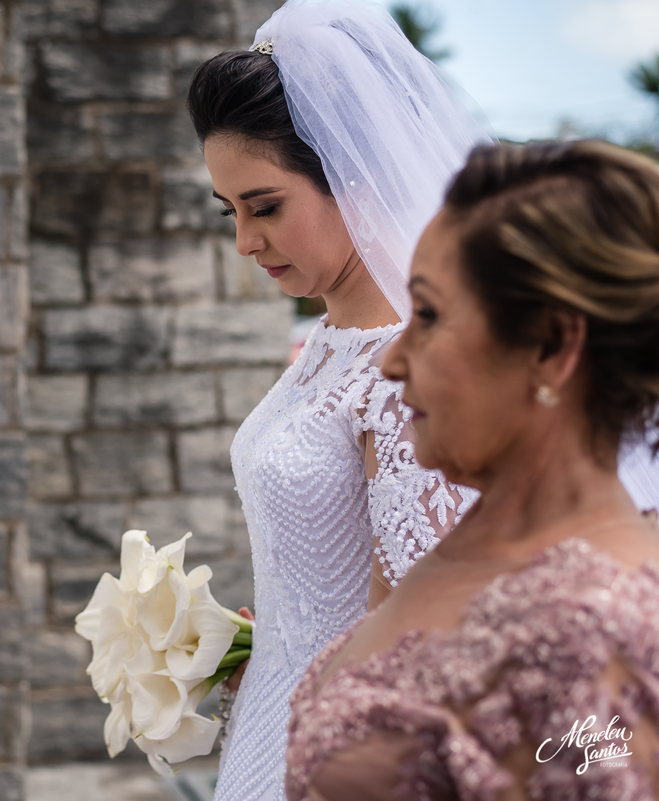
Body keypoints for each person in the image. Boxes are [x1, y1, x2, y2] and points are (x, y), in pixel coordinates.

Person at [286, 139, 659, 798]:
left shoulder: (601, 622)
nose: (391, 361)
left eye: (427, 314)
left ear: (549, 345)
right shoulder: (458, 545)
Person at [185, 2, 488, 797]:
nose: (246, 241)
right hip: (267, 721)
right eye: (231, 212)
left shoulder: (406, 372)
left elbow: (424, 626)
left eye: (266, 205)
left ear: (353, 174)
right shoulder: (326, 344)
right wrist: (240, 642)